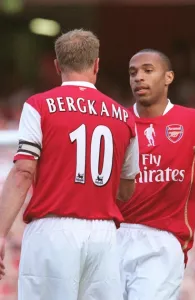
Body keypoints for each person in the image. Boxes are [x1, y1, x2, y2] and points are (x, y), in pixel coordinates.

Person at [0, 29, 140, 300]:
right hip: (104, 237)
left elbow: (23, 171)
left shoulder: (38, 106)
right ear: (96, 64)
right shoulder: (124, 117)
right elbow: (126, 190)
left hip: (53, 232)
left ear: (56, 66)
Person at [117, 49, 195, 300]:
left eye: (147, 70)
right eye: (133, 72)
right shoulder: (116, 120)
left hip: (162, 243)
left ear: (168, 77)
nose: (138, 78)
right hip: (112, 237)